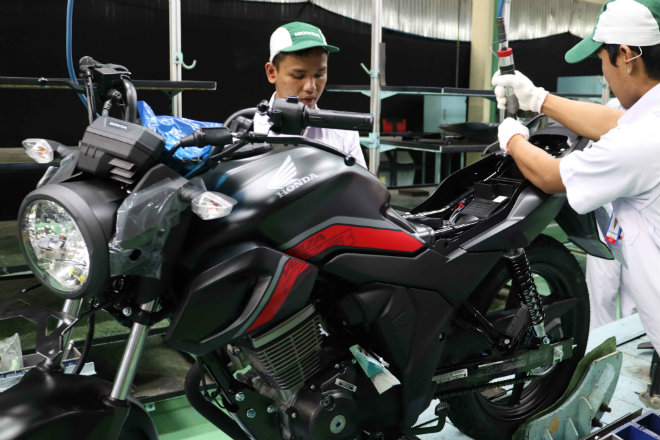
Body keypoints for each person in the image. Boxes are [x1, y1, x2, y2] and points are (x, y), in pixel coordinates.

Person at [491, 0, 660, 355]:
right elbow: (613, 122)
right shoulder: (649, 118)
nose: (604, 73)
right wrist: (538, 99)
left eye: (602, 61)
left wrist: (512, 137)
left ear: (626, 56)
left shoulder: (641, 141)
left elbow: (551, 176)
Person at [264, 21, 367, 168]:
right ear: (272, 72)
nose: (310, 87)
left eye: (319, 75)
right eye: (298, 76)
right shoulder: (248, 132)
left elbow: (360, 182)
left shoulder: (343, 135)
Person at [585, 99, 636, 329]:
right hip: (607, 215)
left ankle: (637, 339)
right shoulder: (613, 106)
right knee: (600, 290)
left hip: (641, 215)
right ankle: (600, 343)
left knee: (637, 295)